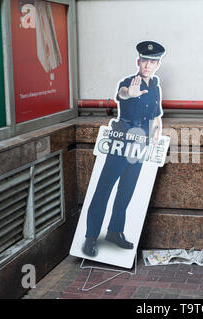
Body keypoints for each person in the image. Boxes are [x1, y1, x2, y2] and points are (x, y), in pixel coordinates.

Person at [82, 41, 165, 257]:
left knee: (126, 191)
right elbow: (123, 93)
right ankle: (91, 237)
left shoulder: (155, 87)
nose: (147, 65)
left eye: (152, 62)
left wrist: (157, 132)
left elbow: (156, 116)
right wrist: (132, 93)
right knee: (104, 189)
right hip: (122, 142)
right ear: (138, 61)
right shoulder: (128, 82)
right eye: (144, 60)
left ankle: (114, 232)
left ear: (157, 65)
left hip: (140, 146)